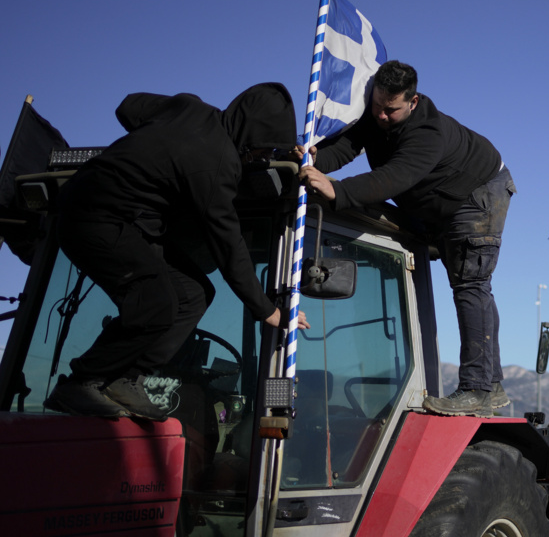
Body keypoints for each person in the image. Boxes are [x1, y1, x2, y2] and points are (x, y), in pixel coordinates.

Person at [46, 83, 310, 421]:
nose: (263, 159)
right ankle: (82, 382)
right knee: (154, 302)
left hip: (124, 221)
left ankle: (128, 377)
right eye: (263, 151)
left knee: (193, 293)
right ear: (250, 137)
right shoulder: (217, 165)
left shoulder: (189, 108)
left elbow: (129, 107)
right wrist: (267, 311)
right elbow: (229, 246)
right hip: (94, 217)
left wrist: (156, 144)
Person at [297, 60, 513, 417]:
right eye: (377, 106)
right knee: (473, 285)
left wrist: (338, 192)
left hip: (479, 193)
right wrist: (316, 159)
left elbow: (393, 177)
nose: (381, 115)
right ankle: (491, 385)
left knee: (470, 284)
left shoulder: (427, 134)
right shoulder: (376, 114)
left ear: (412, 102)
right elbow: (349, 145)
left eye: (391, 110)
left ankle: (477, 388)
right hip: (438, 205)